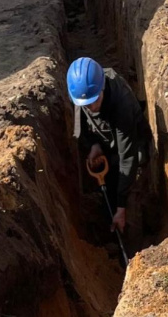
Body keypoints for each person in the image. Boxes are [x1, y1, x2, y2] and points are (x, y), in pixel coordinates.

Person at [67, 57, 150, 234]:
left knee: (136, 166)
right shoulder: (82, 93)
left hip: (131, 142)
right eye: (85, 104)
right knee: (111, 182)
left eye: (94, 101)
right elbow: (80, 126)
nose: (90, 107)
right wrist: (94, 145)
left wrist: (121, 207)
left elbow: (128, 157)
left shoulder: (122, 104)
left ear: (102, 87)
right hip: (106, 139)